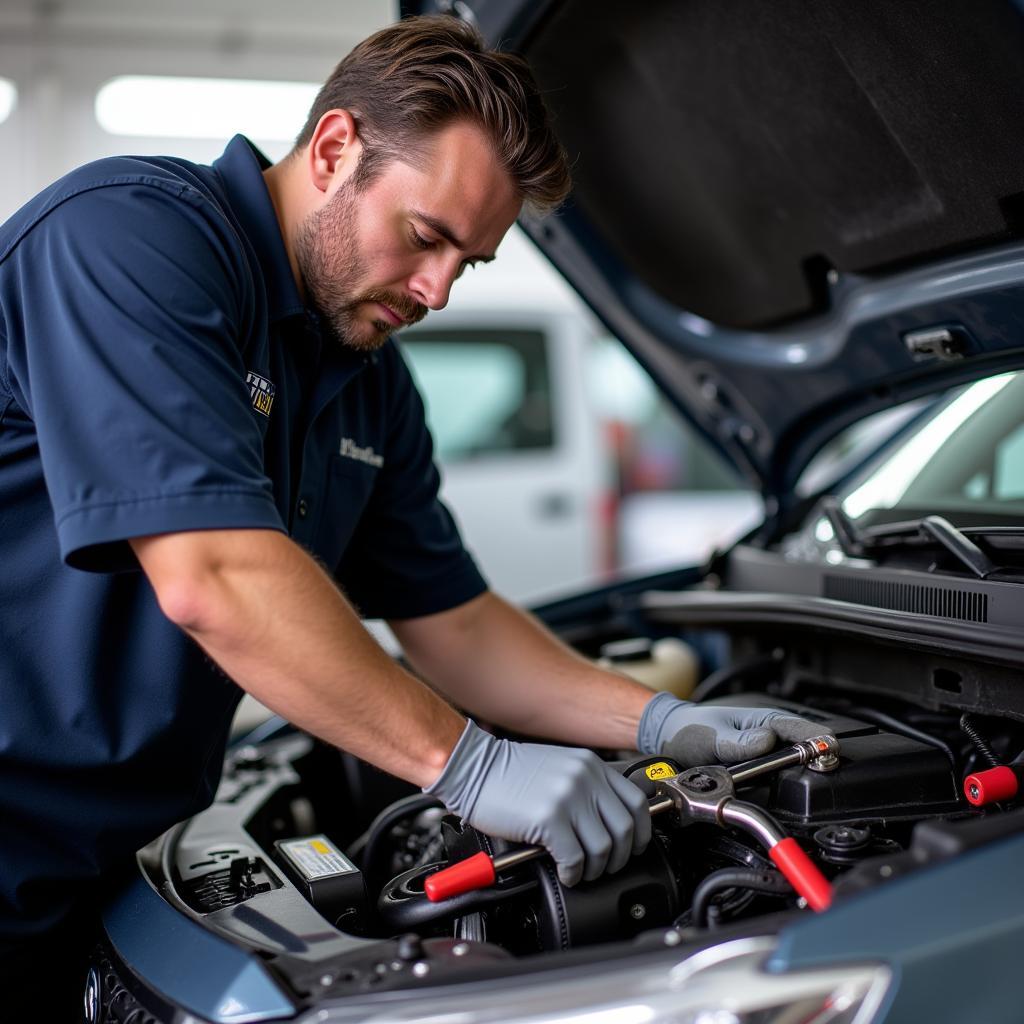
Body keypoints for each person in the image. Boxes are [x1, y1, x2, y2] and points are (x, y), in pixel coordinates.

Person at [0, 13, 824, 1007]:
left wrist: (657, 722)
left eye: (466, 263)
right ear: (337, 146)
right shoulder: (132, 238)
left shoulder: (367, 384)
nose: (435, 290)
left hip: (93, 872)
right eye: (425, 236)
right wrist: (468, 766)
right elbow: (211, 576)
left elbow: (457, 625)